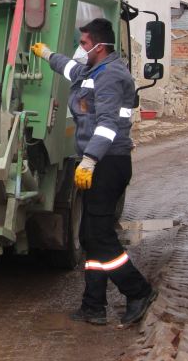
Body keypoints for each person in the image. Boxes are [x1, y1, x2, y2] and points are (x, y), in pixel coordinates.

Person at [31, 18, 157, 327]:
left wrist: (89, 160)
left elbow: (107, 125)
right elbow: (70, 69)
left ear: (100, 47)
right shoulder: (92, 70)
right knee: (89, 236)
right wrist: (47, 55)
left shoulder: (111, 76)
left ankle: (138, 291)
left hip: (107, 163)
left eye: (84, 43)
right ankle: (93, 305)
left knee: (99, 236)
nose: (80, 48)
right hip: (99, 161)